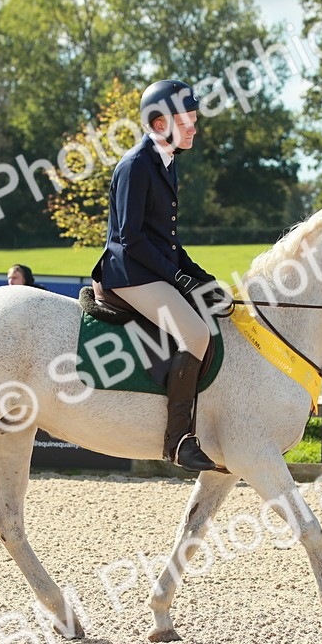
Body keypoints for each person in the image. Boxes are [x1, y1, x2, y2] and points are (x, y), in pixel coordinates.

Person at [91, 79, 227, 471]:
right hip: (128, 273)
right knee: (195, 333)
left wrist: (200, 277)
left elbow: (166, 240)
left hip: (149, 269)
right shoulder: (137, 164)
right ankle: (178, 440)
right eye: (188, 121)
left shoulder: (166, 163)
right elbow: (132, 239)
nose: (195, 129)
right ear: (161, 122)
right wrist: (179, 280)